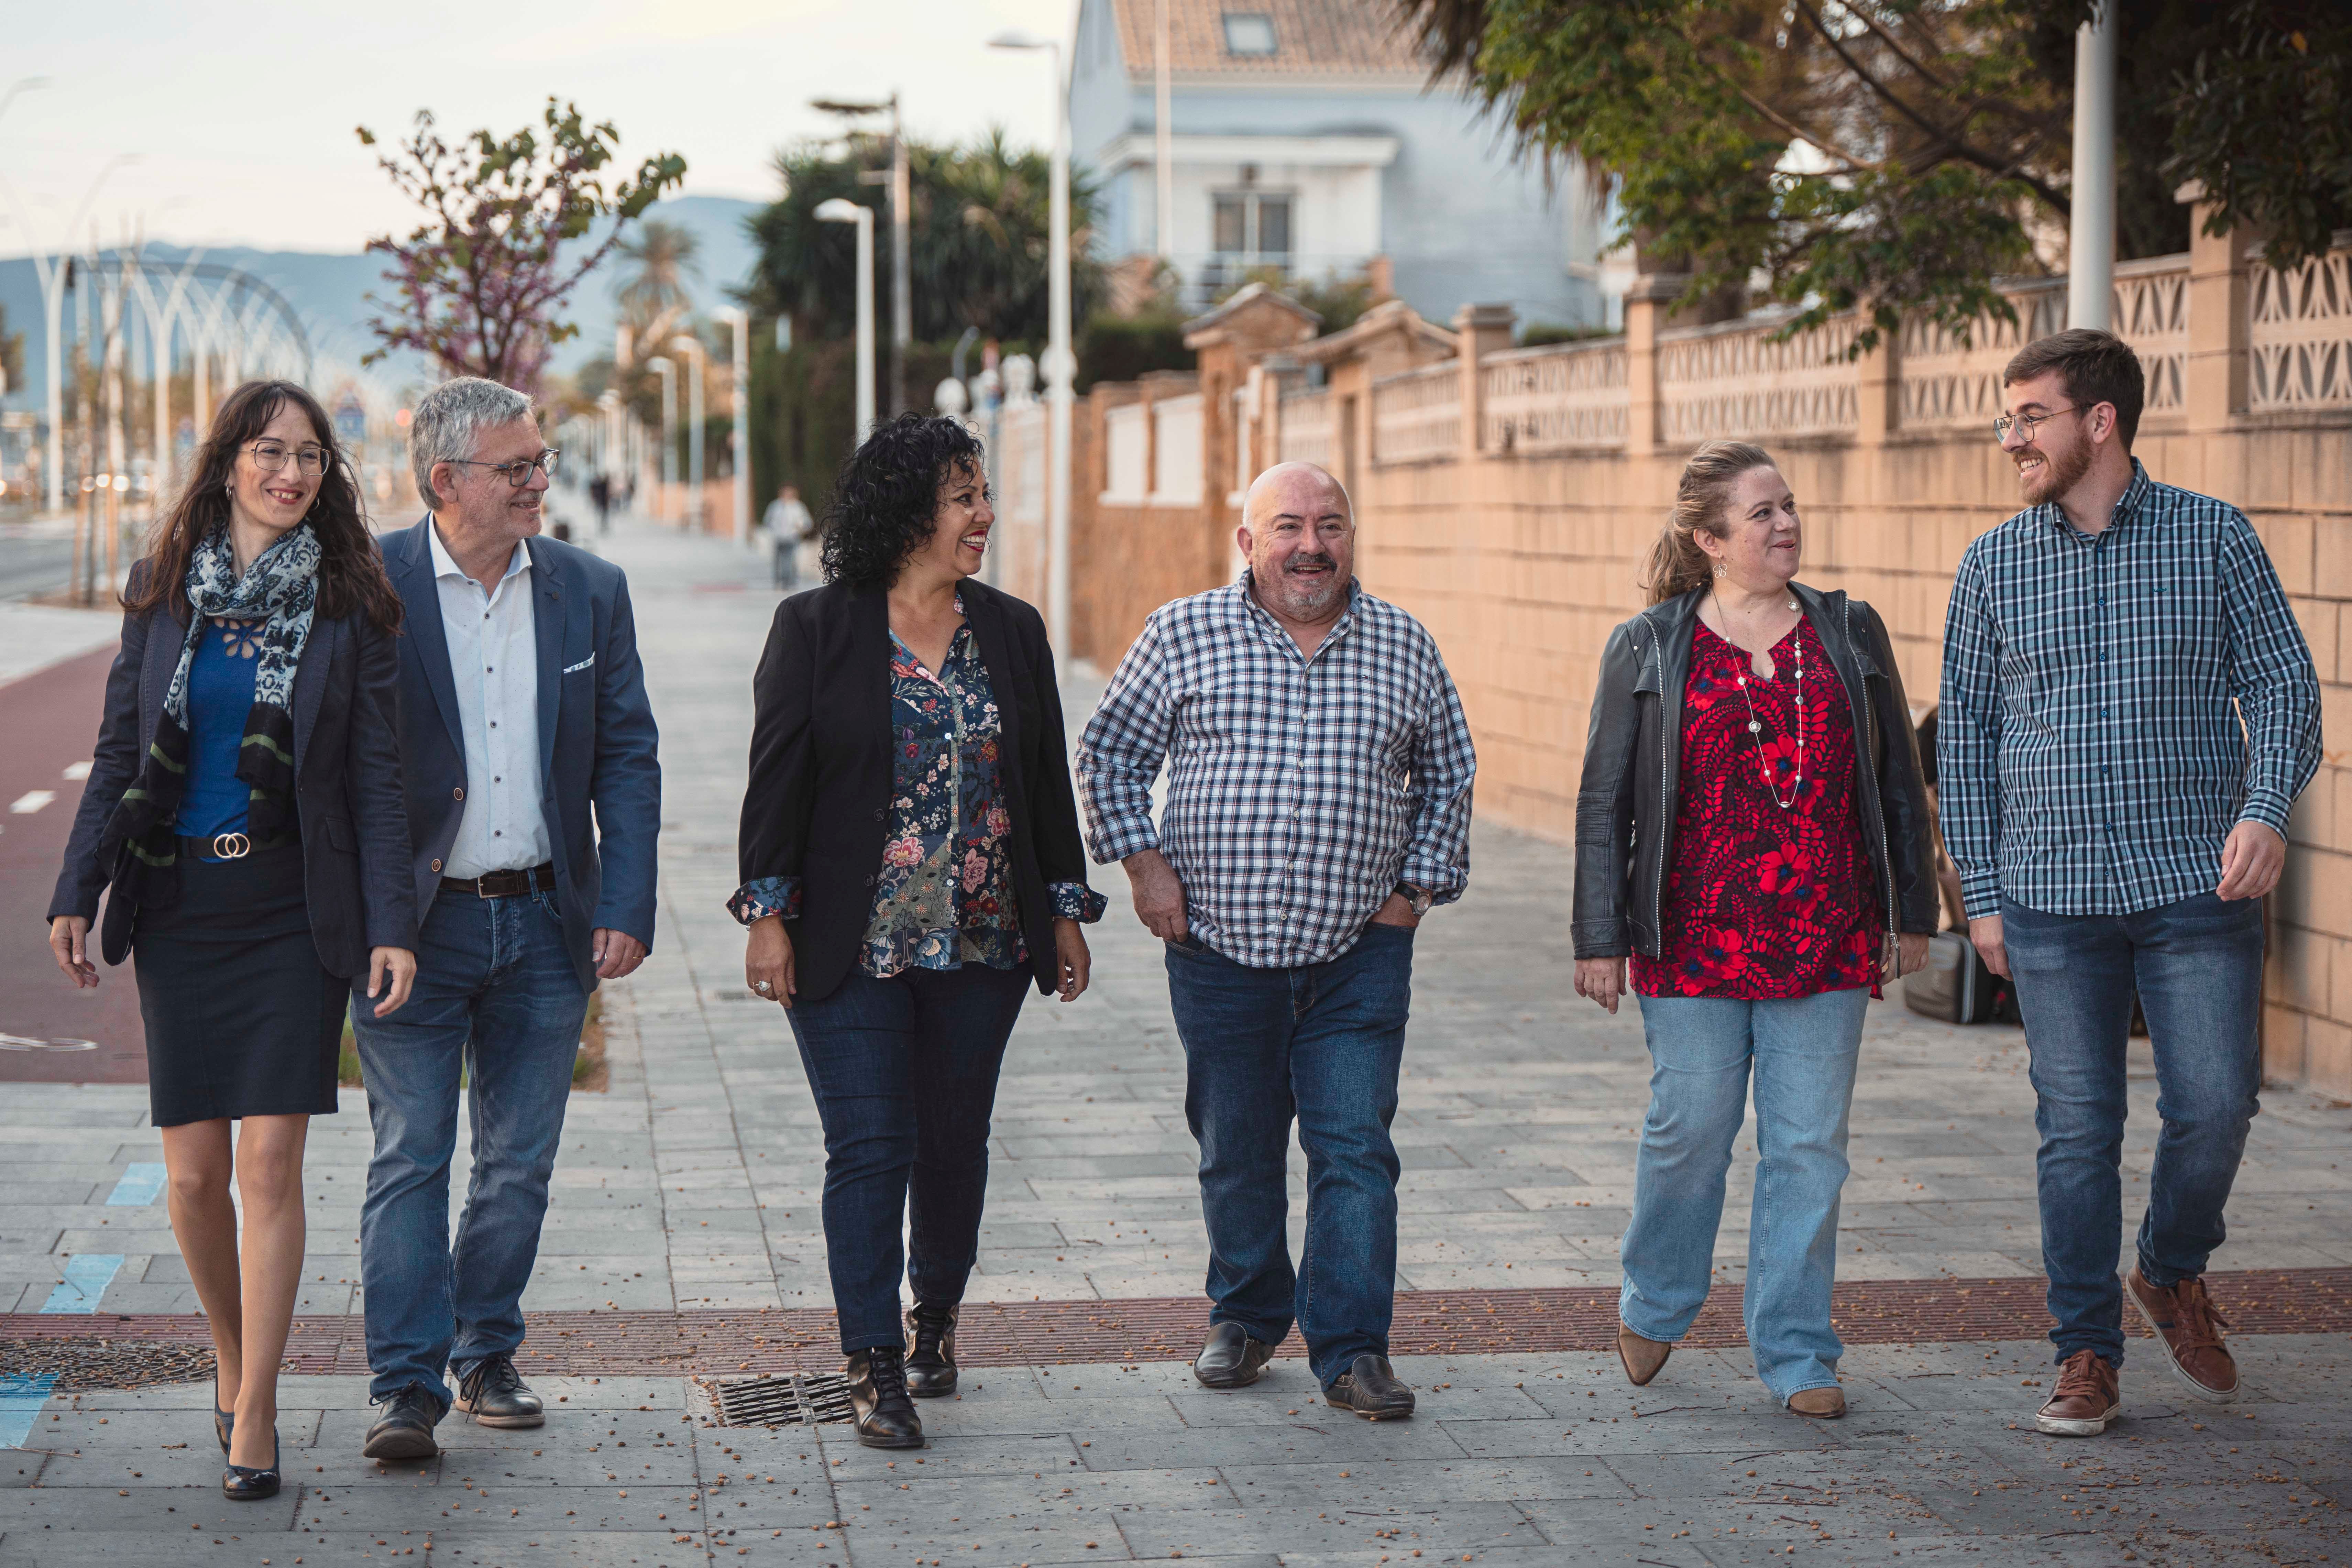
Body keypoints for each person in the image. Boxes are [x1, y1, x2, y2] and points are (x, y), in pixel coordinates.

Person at [1939, 329, 2320, 1438]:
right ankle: (2085, 1351)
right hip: (2051, 892)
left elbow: (2286, 685)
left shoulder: (2213, 536)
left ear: (2098, 420)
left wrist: (2263, 807)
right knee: (2077, 1126)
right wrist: (1984, 890)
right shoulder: (1993, 564)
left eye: (2029, 417)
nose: (2010, 437)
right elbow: (1963, 737)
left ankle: (2169, 1263)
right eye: (2007, 419)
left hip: (2194, 882)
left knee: (2214, 1103)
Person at [47, 380, 418, 1500]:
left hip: (289, 911)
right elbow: (120, 750)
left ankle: (255, 1406)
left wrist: (393, 922)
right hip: (181, 911)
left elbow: (377, 779)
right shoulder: (164, 592)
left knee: (268, 1162)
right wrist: (78, 885)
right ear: (226, 464)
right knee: (195, 1175)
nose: (292, 472)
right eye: (270, 451)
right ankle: (228, 1346)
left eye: (310, 456)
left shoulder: (354, 604)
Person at [1077, 460, 1475, 1421]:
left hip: (1358, 956)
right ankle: (1248, 1316)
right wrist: (1143, 865)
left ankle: (1352, 1350)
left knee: (1354, 1147)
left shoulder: (1402, 645)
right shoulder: (1182, 632)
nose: (1312, 544)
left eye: (1330, 525)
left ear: (1350, 537)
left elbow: (1450, 776)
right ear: (1247, 541)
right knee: (1236, 1145)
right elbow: (1109, 753)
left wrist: (1410, 899)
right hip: (1217, 951)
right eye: (1289, 525)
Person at [735, 413, 1104, 1449]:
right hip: (848, 941)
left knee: (952, 1144)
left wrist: (1065, 910)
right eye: (964, 496)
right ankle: (873, 1363)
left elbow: (1042, 783)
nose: (985, 513)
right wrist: (767, 915)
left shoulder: (1013, 628)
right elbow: (777, 783)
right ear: (907, 511)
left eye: (983, 493)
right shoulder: (816, 628)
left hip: (986, 940)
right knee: (869, 1146)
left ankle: (934, 1314)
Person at [1571, 440, 1936, 1417]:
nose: (1785, 524)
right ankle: (1658, 1297)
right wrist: (1597, 936)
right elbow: (1605, 798)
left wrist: (1911, 914)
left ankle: (1798, 1351)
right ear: (1709, 538)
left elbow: (1899, 779)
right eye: (1761, 512)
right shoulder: (1649, 644)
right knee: (1689, 1128)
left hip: (1824, 929)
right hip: (1689, 932)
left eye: (1788, 507)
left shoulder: (1850, 629)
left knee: (1808, 1144)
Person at [352, 376, 662, 1459]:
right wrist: (369, 915)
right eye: (516, 467)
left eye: (542, 460)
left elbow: (627, 753)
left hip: (546, 922)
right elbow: (339, 764)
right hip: (413, 930)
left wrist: (624, 901)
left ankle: (484, 1349)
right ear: (446, 482)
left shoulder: (590, 587)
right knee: (411, 1152)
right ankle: (404, 1385)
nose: (541, 480)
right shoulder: (369, 584)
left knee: (518, 1160)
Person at [762, 483, 814, 591]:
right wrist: (773, 530)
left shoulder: (798, 507)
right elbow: (767, 521)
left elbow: (807, 522)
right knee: (778, 561)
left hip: (792, 537)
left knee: (791, 561)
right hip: (779, 537)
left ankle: (790, 582)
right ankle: (779, 581)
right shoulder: (775, 506)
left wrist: (801, 527)